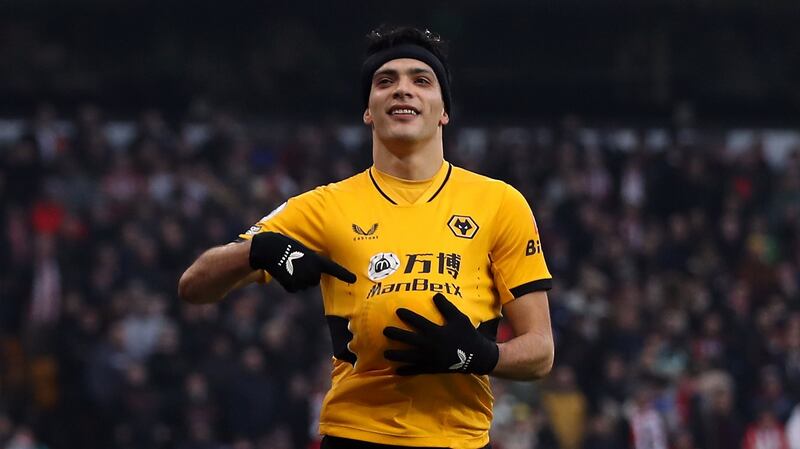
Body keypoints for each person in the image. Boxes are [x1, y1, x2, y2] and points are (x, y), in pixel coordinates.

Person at [179, 25, 554, 449]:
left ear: (444, 110)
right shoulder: (325, 206)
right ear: (368, 111)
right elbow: (194, 286)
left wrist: (482, 355)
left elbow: (541, 352)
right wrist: (259, 250)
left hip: (459, 439)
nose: (403, 90)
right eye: (385, 81)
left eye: (421, 80)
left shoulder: (500, 203)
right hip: (353, 436)